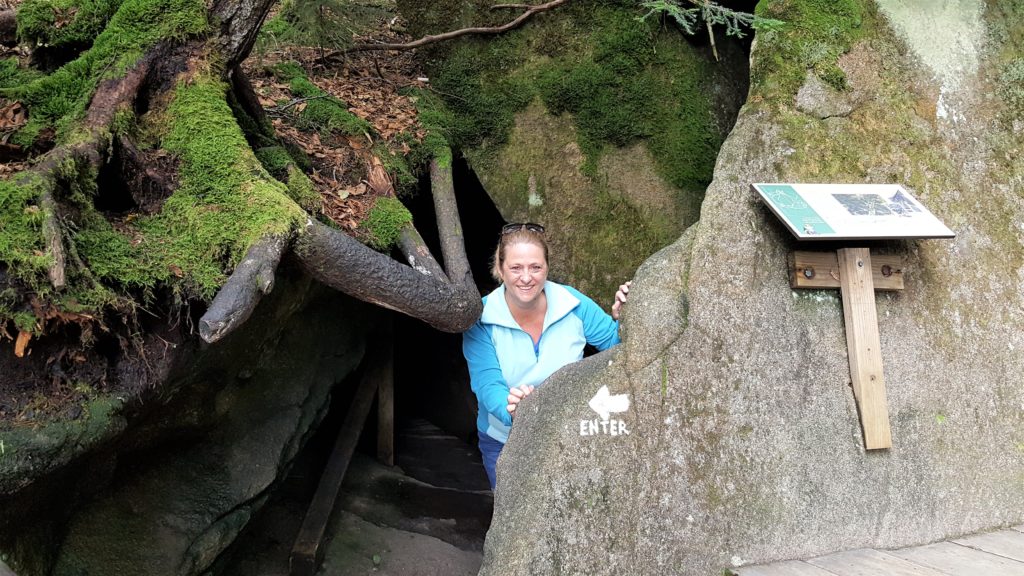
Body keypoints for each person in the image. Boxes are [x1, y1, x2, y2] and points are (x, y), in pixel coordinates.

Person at [462, 222, 631, 490]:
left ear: (547, 268)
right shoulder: (482, 318)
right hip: (504, 438)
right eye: (516, 268)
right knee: (513, 525)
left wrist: (628, 317)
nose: (526, 277)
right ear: (500, 268)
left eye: (535, 267)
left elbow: (615, 345)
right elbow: (487, 384)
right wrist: (515, 410)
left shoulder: (572, 304)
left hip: (566, 435)